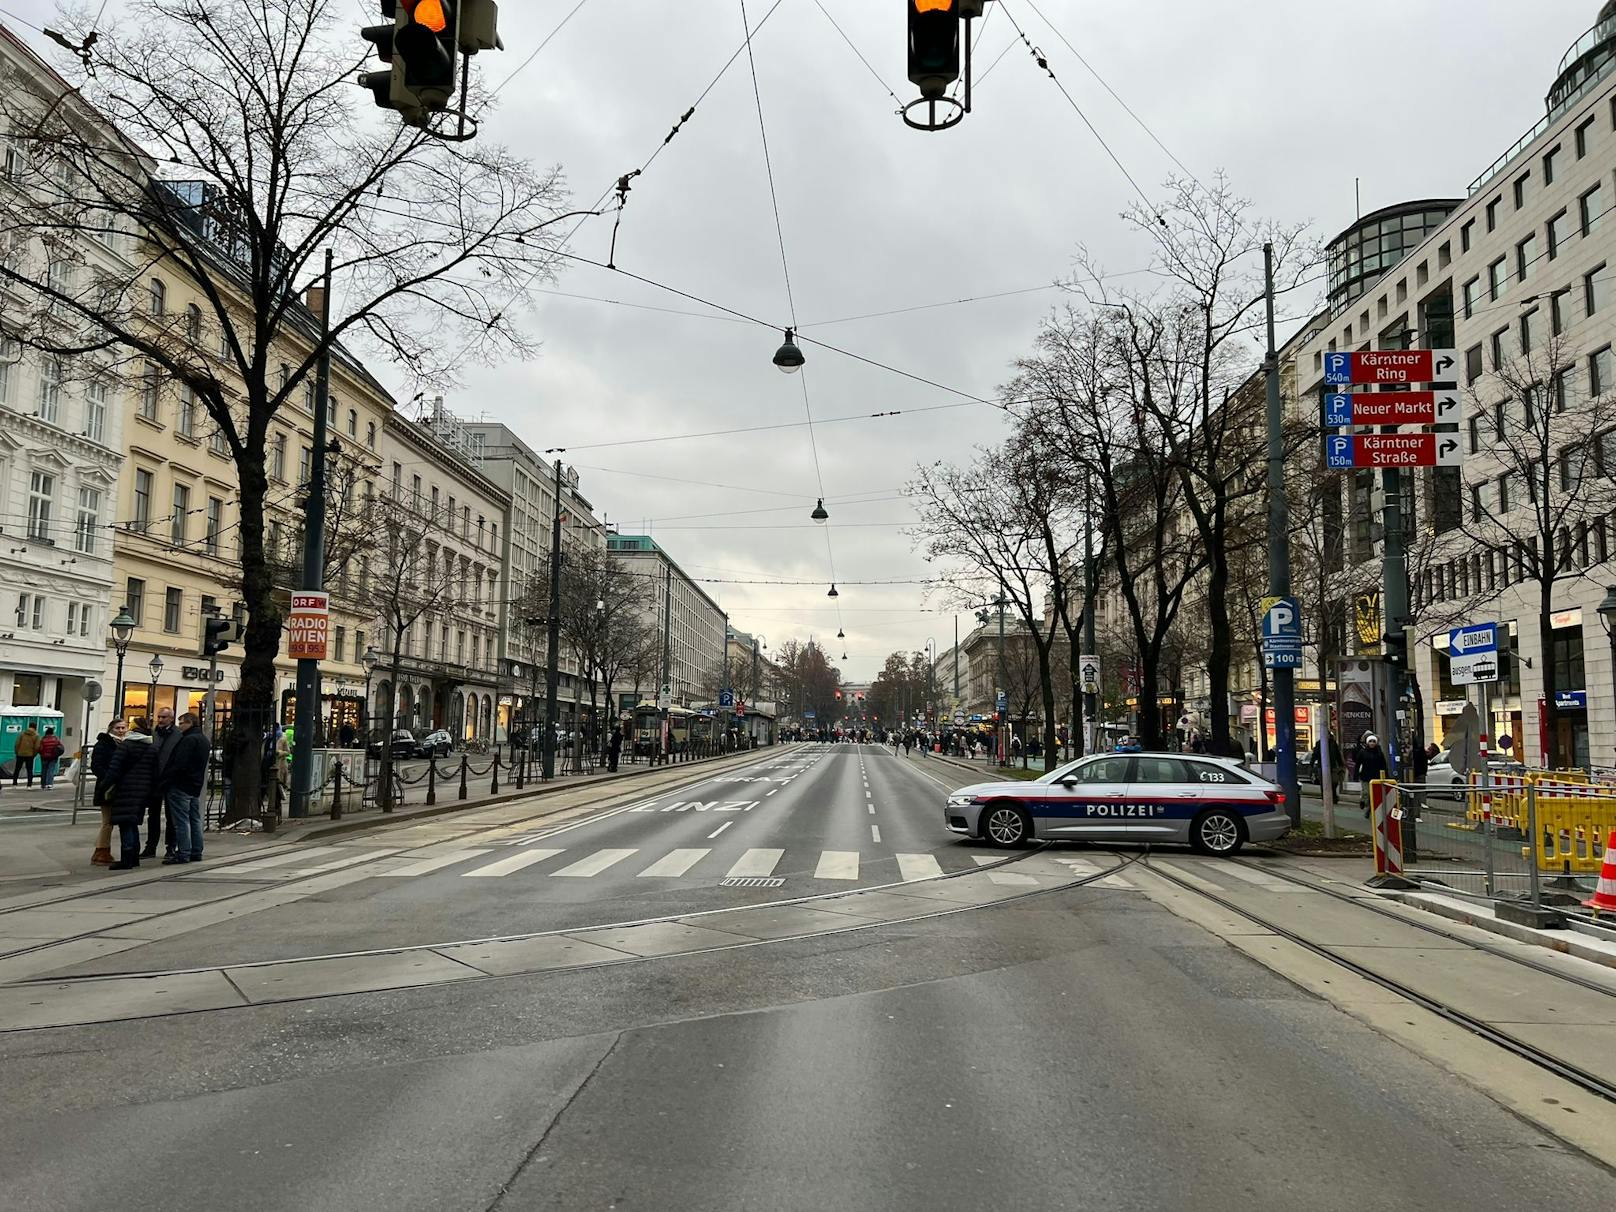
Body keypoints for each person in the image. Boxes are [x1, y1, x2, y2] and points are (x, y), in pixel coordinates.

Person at [104, 728, 157, 870]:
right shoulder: (151, 748)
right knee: (132, 822)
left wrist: (105, 785)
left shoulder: (125, 746)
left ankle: (127, 858)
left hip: (125, 788)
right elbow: (155, 770)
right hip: (143, 790)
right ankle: (134, 857)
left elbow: (114, 768)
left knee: (125, 823)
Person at [165, 711, 210, 864]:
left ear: (190, 723)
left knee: (182, 821)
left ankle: (184, 852)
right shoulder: (203, 739)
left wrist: (168, 779)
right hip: (194, 785)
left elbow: (179, 763)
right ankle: (196, 851)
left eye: (181, 723)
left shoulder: (188, 740)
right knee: (194, 819)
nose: (179, 726)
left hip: (181, 784)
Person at [88, 718, 128, 866]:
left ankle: (101, 851)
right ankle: (101, 852)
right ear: (111, 729)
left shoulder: (123, 744)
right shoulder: (104, 744)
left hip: (117, 787)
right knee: (107, 822)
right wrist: (108, 778)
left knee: (110, 821)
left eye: (123, 728)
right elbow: (96, 766)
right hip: (106, 788)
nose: (121, 731)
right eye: (118, 728)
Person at [145, 707, 180, 859]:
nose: (160, 720)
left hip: (170, 779)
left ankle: (171, 846)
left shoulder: (178, 734)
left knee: (171, 816)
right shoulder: (153, 733)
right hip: (154, 779)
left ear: (171, 718)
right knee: (153, 815)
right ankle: (151, 846)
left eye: (164, 717)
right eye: (159, 717)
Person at [1354, 733, 1389, 816]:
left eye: (1374, 741)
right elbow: (1358, 764)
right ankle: (1363, 801)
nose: (1372, 743)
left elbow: (1383, 765)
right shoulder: (1362, 752)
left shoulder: (1379, 752)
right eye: (1370, 741)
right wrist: (1355, 775)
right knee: (1367, 793)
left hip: (1376, 776)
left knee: (1374, 795)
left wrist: (1386, 776)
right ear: (1367, 743)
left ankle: (1369, 810)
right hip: (1365, 776)